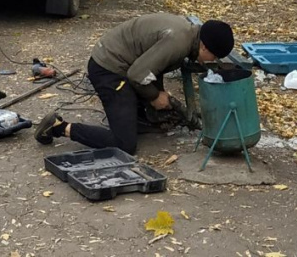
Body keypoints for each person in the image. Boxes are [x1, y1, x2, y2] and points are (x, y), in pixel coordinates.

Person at [35, 13, 234, 155]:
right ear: (204, 46)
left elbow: (154, 67)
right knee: (125, 144)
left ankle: (135, 117)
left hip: (124, 66)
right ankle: (58, 127)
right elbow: (138, 74)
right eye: (213, 56)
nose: (211, 61)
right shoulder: (178, 41)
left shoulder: (189, 32)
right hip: (109, 70)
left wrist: (159, 96)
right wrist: (155, 96)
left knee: (152, 119)